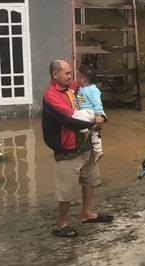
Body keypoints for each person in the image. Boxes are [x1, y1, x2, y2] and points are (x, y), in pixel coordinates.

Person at [42, 59, 112, 238]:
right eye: (66, 73)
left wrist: (100, 114)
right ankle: (62, 223)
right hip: (67, 149)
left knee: (90, 179)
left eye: (70, 73)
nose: (70, 76)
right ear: (55, 75)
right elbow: (69, 120)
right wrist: (96, 120)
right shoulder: (51, 96)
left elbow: (85, 99)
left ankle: (87, 213)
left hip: (85, 145)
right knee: (66, 189)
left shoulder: (72, 88)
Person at [73, 65, 104, 161]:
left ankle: (84, 131)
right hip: (88, 113)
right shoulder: (82, 88)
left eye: (77, 76)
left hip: (90, 112)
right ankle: (98, 151)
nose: (76, 78)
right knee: (95, 132)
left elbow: (97, 103)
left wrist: (98, 115)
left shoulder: (92, 89)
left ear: (82, 79)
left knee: (74, 114)